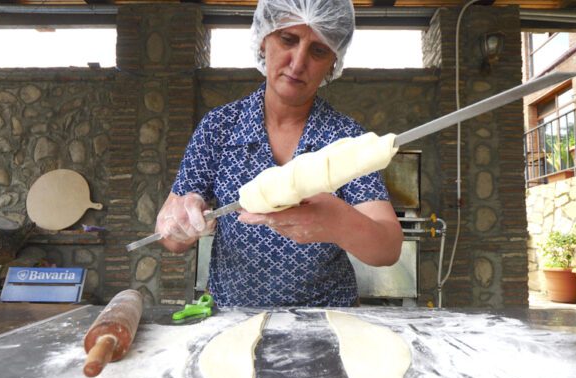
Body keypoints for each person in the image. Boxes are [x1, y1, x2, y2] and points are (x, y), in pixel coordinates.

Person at [155, 0, 403, 307]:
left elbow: (388, 248)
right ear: (263, 40)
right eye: (288, 39)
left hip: (327, 321)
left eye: (318, 50)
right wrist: (181, 224)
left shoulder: (345, 137)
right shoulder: (219, 127)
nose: (298, 62)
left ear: (333, 61)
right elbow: (168, 239)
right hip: (234, 318)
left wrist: (339, 222)